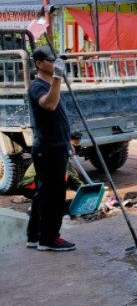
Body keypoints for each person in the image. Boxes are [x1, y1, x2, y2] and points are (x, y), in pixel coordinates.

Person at [26, 46, 76, 251]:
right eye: (51, 60)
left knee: (44, 193)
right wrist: (57, 77)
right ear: (39, 64)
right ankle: (49, 239)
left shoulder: (51, 83)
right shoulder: (38, 86)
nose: (55, 62)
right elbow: (49, 105)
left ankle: (35, 236)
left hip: (57, 145)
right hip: (48, 148)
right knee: (54, 196)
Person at [20, 132, 85, 213]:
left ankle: (44, 204)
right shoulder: (56, 153)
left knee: (68, 176)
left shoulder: (60, 153)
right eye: (74, 144)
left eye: (77, 144)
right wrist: (83, 189)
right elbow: (69, 176)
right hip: (30, 186)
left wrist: (83, 187)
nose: (76, 147)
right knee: (63, 176)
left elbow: (73, 174)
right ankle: (39, 207)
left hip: (39, 183)